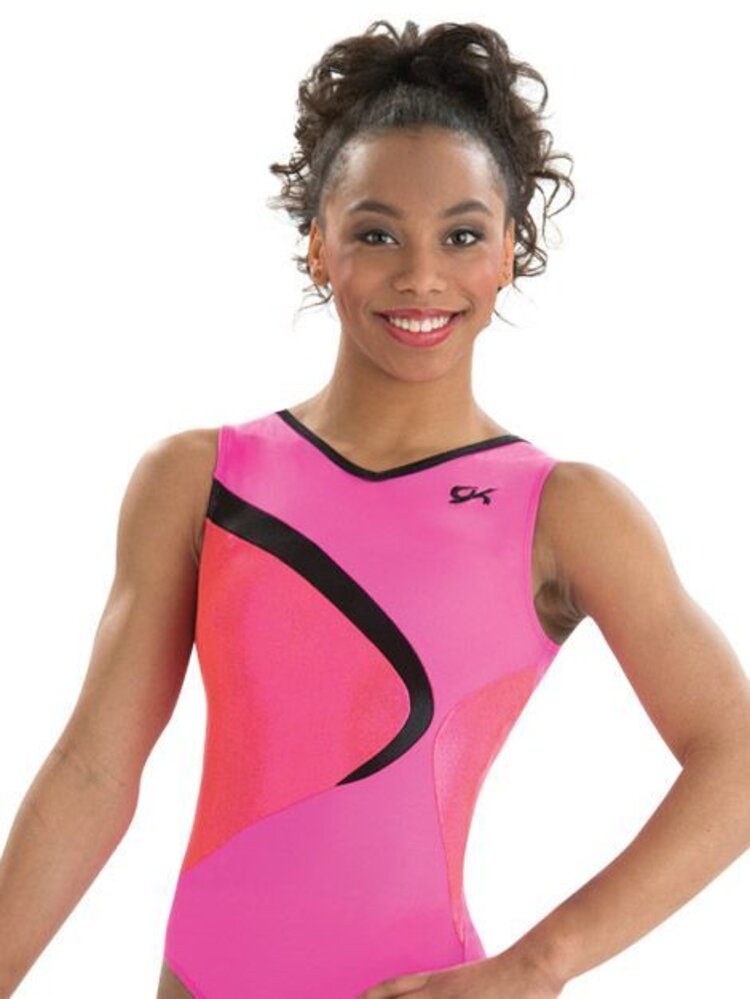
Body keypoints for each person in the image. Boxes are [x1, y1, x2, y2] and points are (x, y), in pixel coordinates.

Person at [1, 18, 749, 999]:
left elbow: (736, 756)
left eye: (462, 235)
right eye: (377, 233)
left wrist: (538, 967)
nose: (420, 276)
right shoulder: (201, 480)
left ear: (510, 251)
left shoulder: (562, 511)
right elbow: (93, 774)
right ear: (319, 247)